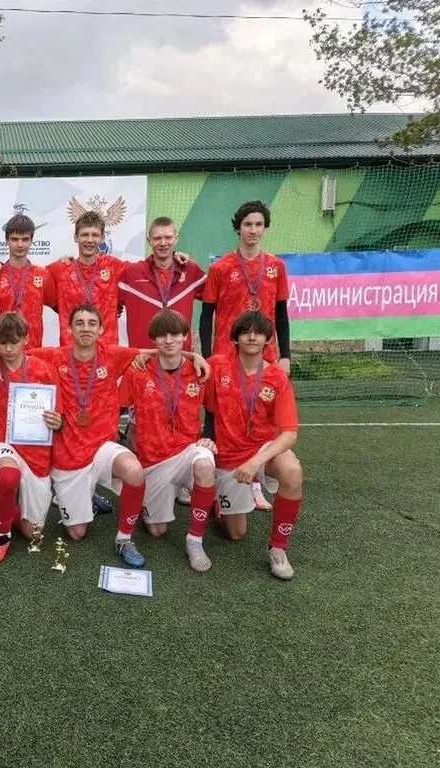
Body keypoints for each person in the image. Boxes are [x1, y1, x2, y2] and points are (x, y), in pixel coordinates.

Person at [12, 304, 152, 567]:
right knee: (77, 533)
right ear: (69, 329)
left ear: (101, 329)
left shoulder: (113, 354)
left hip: (101, 447)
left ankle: (124, 539)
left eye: (91, 323)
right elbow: (14, 352)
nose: (86, 328)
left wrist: (196, 357)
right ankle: (87, 496)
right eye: (79, 323)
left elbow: (163, 350)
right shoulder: (54, 356)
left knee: (134, 470)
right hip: (68, 456)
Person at [200, 201, 290, 511]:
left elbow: (281, 314)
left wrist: (285, 355)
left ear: (265, 228)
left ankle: (256, 479)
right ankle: (217, 477)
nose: (253, 230)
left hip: (265, 354)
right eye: (247, 224)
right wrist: (207, 354)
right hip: (227, 353)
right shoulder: (220, 268)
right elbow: (206, 315)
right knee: (220, 416)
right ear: (238, 228)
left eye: (258, 224)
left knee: (260, 415)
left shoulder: (276, 266)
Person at [204, 311, 303, 580]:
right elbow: (182, 368)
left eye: (258, 333)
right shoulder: (217, 366)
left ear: (268, 340)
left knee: (292, 471)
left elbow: (289, 434)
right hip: (227, 455)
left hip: (261, 450)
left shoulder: (277, 377)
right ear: (235, 338)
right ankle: (217, 503)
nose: (251, 337)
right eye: (245, 332)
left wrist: (255, 462)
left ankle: (278, 548)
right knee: (236, 534)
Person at [119, 309, 217, 572]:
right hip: (153, 461)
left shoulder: (200, 371)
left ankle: (195, 541)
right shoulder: (138, 371)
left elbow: (214, 409)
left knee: (205, 465)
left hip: (187, 452)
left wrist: (209, 437)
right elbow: (117, 406)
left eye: (175, 334)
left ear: (186, 336)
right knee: (157, 530)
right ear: (153, 340)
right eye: (162, 336)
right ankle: (167, 497)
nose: (169, 340)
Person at [0, 311, 59, 565]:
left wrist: (58, 419)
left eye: (14, 342)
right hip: (4, 442)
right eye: (2, 343)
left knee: (33, 534)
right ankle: (2, 535)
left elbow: (58, 411)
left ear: (26, 339)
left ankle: (6, 504)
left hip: (36, 450)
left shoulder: (44, 369)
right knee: (9, 476)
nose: (9, 349)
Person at [119, 217, 206, 349]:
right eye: (157, 238)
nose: (163, 243)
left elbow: (219, 296)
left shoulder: (190, 270)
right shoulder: (131, 273)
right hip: (144, 357)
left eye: (168, 237)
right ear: (149, 240)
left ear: (176, 238)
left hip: (180, 356)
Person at [0, 214, 57, 351]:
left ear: (31, 241)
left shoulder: (43, 275)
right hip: (0, 352)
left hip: (31, 351)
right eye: (14, 239)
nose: (20, 245)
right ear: (6, 240)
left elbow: (61, 307)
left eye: (25, 239)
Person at [46, 211, 127, 346]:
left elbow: (146, 271)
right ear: (75, 237)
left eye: (95, 235)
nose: (89, 240)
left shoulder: (115, 267)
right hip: (71, 350)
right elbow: (28, 278)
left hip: (107, 351)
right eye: (84, 235)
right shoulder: (59, 270)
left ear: (102, 238)